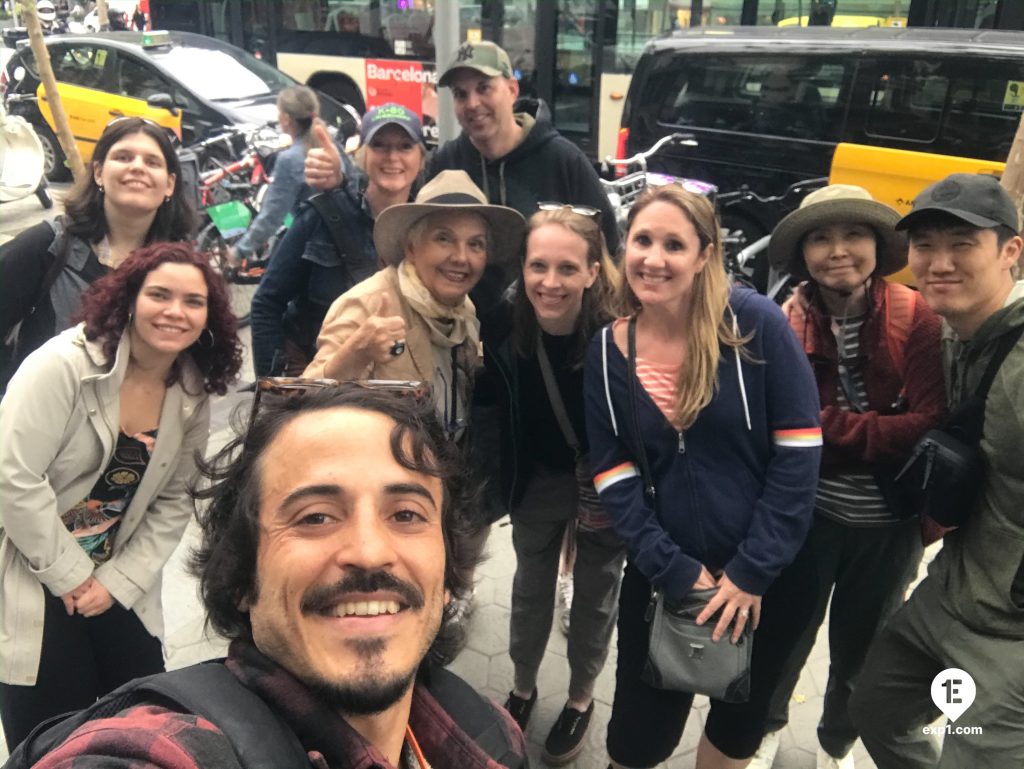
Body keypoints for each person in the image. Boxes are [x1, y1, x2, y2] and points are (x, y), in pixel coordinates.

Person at [11, 384, 527, 769]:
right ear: (241, 575)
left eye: (407, 515)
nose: (370, 552)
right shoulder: (169, 748)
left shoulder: (490, 732)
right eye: (316, 517)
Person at [583, 185, 823, 768]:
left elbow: (798, 453)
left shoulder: (755, 325)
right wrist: (672, 567)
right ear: (624, 248)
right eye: (642, 240)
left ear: (705, 255)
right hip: (665, 575)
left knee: (735, 730)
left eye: (674, 244)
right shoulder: (608, 351)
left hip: (765, 583)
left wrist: (750, 571)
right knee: (635, 740)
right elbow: (612, 472)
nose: (654, 258)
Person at [0, 242, 243, 750]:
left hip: (114, 575)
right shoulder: (62, 365)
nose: (175, 311)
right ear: (129, 298)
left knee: (138, 716)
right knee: (53, 734)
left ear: (209, 316)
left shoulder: (190, 389)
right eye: (159, 294)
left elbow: (176, 498)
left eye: (192, 301)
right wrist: (71, 575)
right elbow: (13, 476)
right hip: (33, 565)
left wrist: (117, 581)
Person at [749, 185, 946, 769]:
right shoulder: (783, 323)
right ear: (803, 253)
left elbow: (929, 425)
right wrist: (874, 431)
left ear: (878, 246)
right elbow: (780, 427)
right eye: (820, 237)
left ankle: (836, 746)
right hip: (807, 516)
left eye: (853, 234)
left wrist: (829, 428)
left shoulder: (918, 318)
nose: (838, 250)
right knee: (782, 639)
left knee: (863, 653)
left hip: (892, 526)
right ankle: (760, 733)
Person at [849, 173, 1024, 768]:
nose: (939, 263)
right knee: (877, 707)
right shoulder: (954, 334)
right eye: (925, 245)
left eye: (962, 243)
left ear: (1010, 252)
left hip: (1010, 635)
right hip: (949, 594)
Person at [473, 205, 626, 764]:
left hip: (605, 488)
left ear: (592, 271)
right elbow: (488, 400)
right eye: (539, 266)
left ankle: (581, 697)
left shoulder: (619, 335)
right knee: (530, 586)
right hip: (537, 479)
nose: (550, 282)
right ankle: (522, 686)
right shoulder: (506, 324)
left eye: (567, 268)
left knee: (595, 593)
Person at [303, 41, 618, 306]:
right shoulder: (448, 159)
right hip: (467, 332)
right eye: (460, 93)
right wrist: (343, 181)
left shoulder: (562, 160)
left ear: (511, 89)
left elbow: (608, 249)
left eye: (484, 88)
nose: (473, 103)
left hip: (547, 328)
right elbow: (402, 203)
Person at [303, 170, 524, 438]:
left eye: (475, 244)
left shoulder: (463, 312)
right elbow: (302, 404)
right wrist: (356, 353)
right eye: (444, 238)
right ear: (411, 247)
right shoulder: (368, 303)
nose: (461, 257)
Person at [0, 117, 195, 389]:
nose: (137, 167)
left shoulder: (182, 265)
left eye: (152, 162)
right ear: (99, 172)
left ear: (170, 184)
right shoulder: (47, 247)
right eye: (124, 157)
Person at [250, 103, 425, 377]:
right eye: (380, 145)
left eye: (405, 146)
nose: (393, 157)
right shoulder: (322, 216)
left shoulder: (426, 232)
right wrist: (274, 386)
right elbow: (267, 302)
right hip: (318, 377)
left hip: (392, 384)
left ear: (421, 159)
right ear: (364, 155)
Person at [230, 86, 318, 268]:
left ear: (285, 118)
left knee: (266, 295)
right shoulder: (331, 148)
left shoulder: (291, 159)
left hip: (309, 245)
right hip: (339, 243)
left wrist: (239, 251)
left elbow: (273, 215)